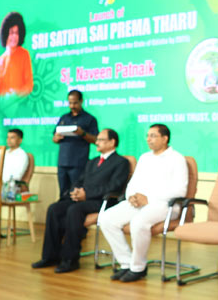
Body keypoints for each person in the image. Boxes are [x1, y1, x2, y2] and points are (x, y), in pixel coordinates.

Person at [98, 124, 187, 282]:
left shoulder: (177, 159)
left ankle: (138, 268)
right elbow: (133, 183)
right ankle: (126, 263)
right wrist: (131, 196)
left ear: (165, 138)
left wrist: (149, 198)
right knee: (106, 219)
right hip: (139, 202)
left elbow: (180, 190)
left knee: (138, 223)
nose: (148, 139)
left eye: (153, 136)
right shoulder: (145, 157)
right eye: (147, 136)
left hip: (165, 205)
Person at [32, 129, 130, 273]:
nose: (96, 142)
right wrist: (75, 191)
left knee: (74, 210)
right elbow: (79, 180)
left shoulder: (121, 162)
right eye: (97, 139)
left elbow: (114, 186)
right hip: (83, 199)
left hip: (103, 201)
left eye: (100, 140)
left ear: (112, 142)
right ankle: (50, 256)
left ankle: (70, 260)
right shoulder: (92, 161)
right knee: (54, 208)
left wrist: (87, 194)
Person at [52, 90, 98, 196]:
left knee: (75, 193)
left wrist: (82, 133)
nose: (72, 106)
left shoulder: (89, 119)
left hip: (79, 163)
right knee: (63, 193)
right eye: (70, 103)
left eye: (75, 103)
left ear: (81, 101)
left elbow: (96, 139)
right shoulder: (64, 118)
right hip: (62, 162)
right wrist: (56, 138)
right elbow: (54, 138)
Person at [0, 11, 33, 98]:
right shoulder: (0, 60)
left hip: (20, 102)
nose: (14, 36)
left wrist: (16, 94)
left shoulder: (24, 54)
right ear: (5, 34)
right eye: (11, 33)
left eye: (17, 33)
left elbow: (29, 86)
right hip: (4, 104)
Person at [1, 128, 29, 200]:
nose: (9, 140)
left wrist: (1, 182)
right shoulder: (4, 152)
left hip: (10, 187)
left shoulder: (22, 155)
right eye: (8, 137)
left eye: (12, 137)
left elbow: (17, 176)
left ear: (20, 140)